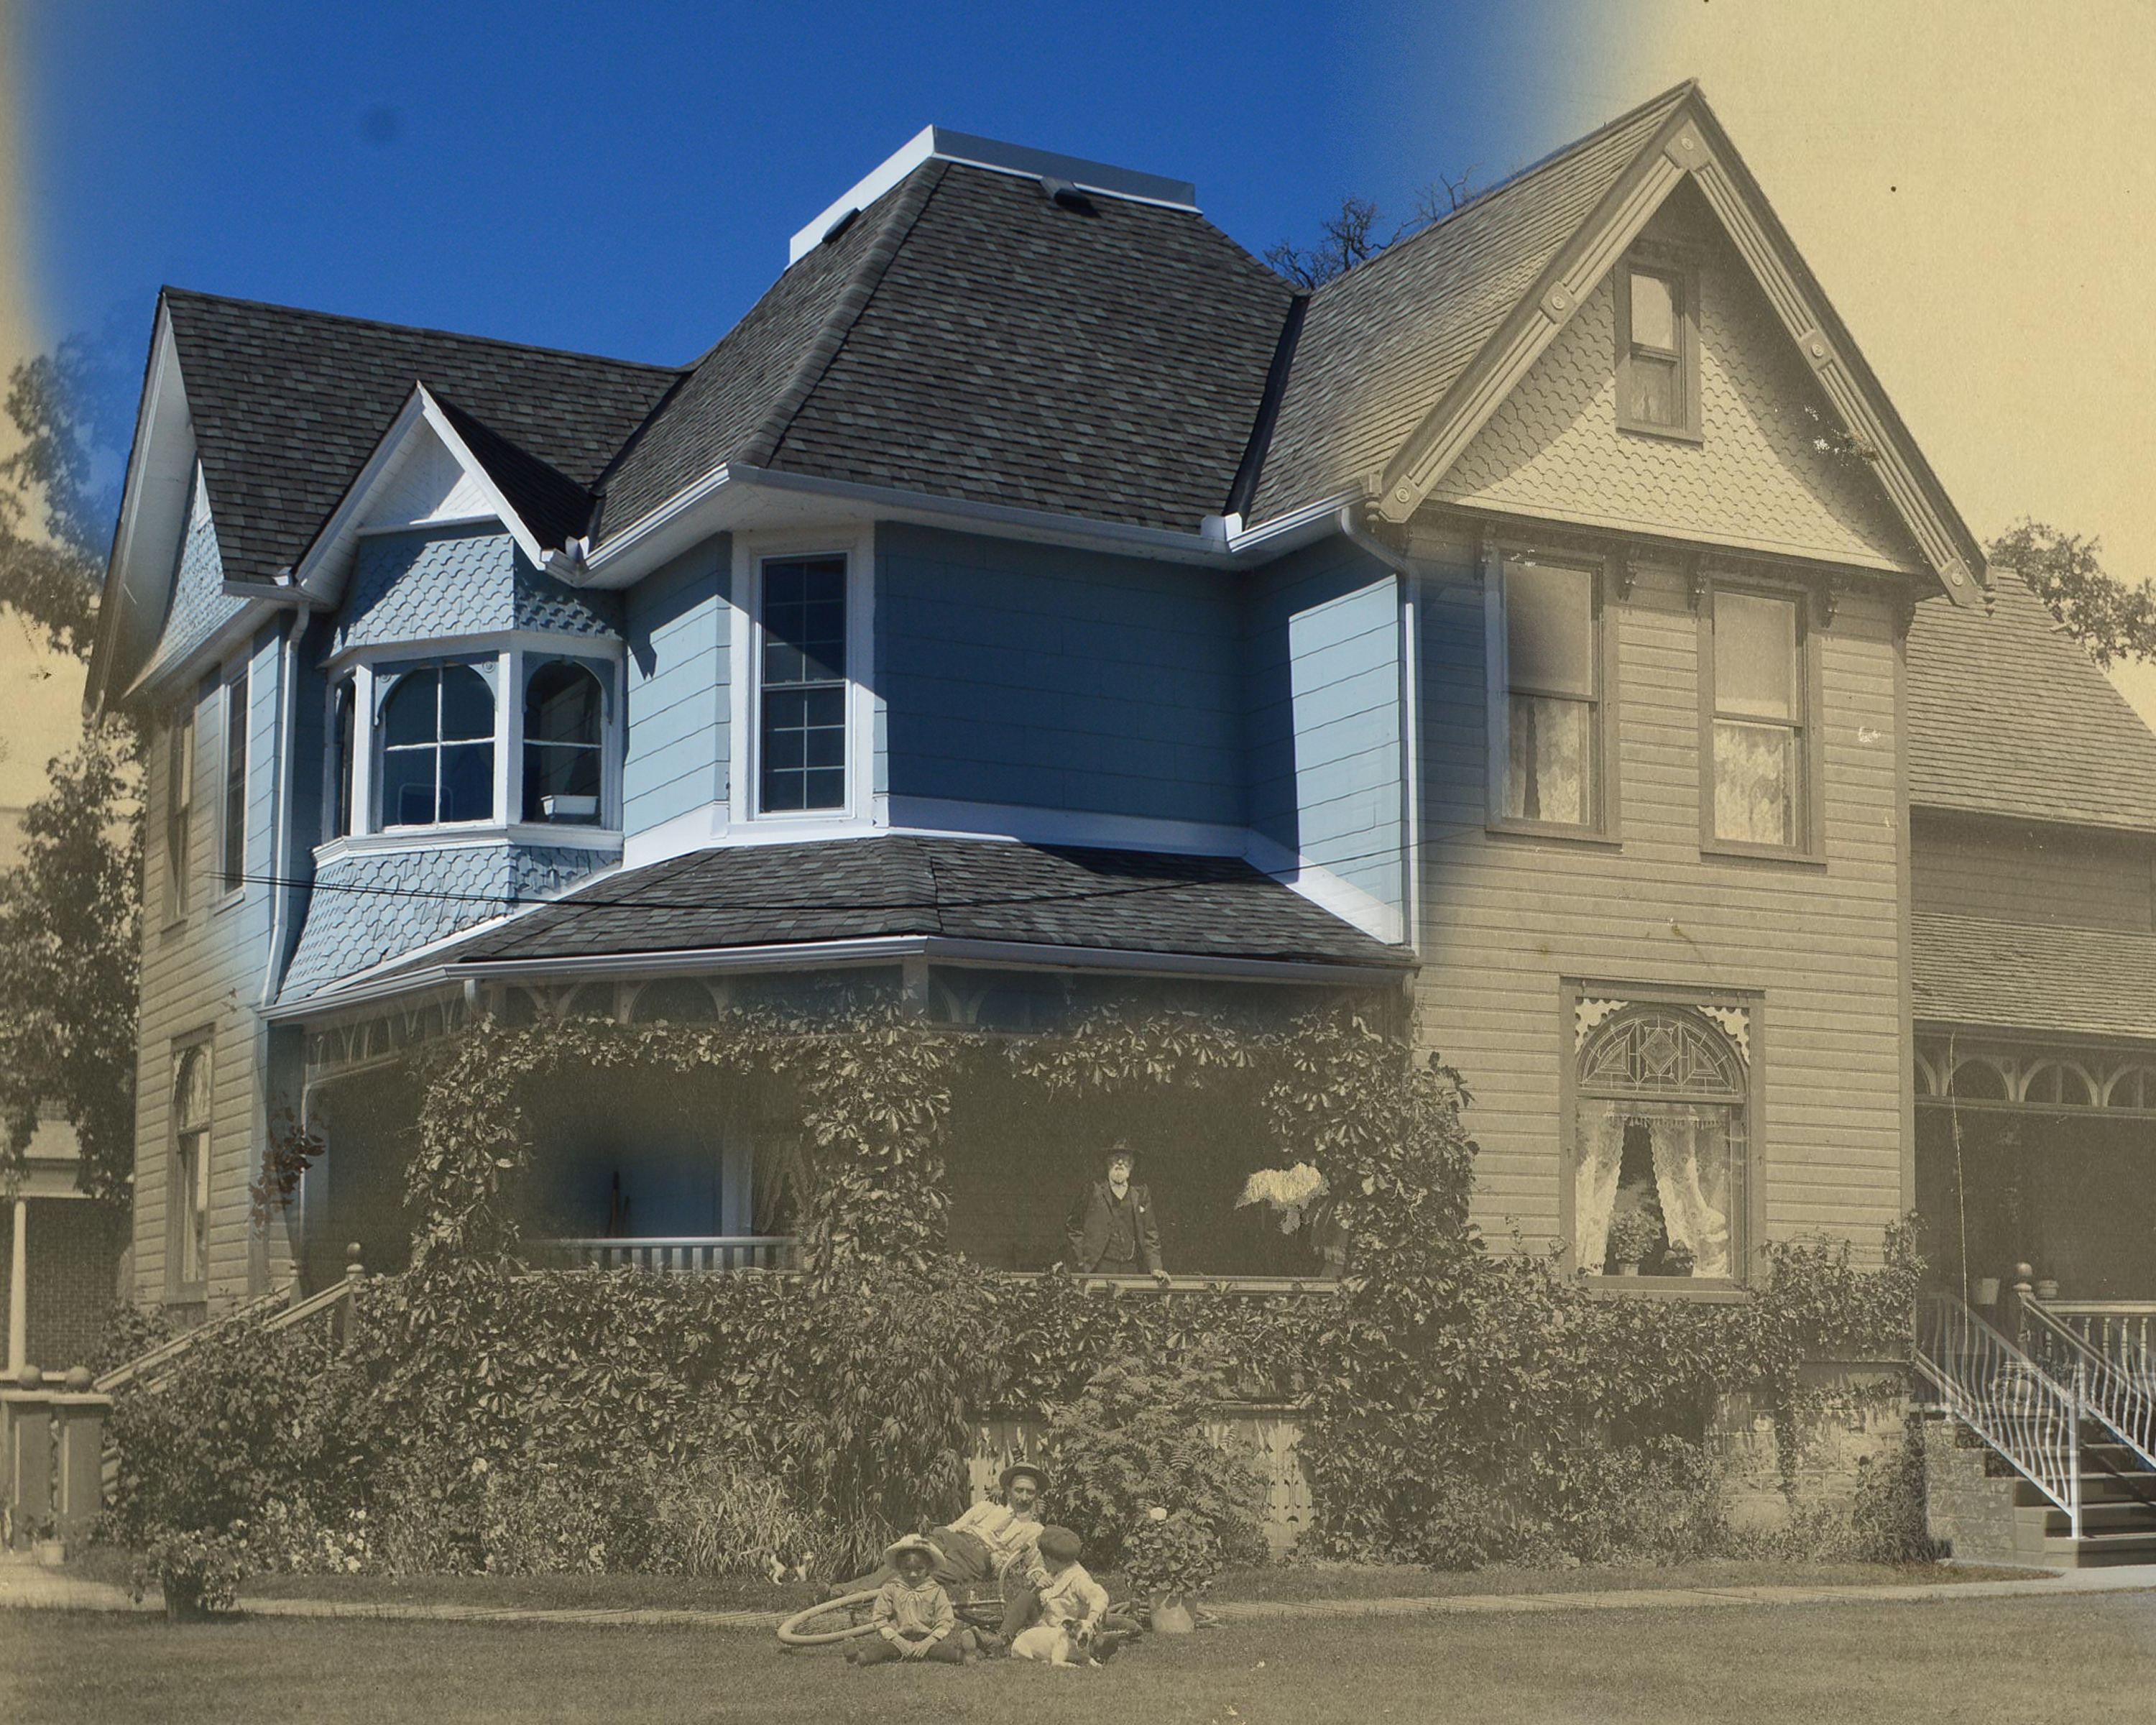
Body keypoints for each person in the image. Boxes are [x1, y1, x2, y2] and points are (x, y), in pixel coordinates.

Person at [831, 1463, 1049, 1607]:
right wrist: (933, 1541)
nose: (1023, 1496)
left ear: (1037, 1495)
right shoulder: (986, 1508)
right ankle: (846, 1591)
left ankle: (851, 1596)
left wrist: (1033, 1575)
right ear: (1009, 1490)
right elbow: (954, 1527)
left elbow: (1036, 1567)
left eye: (1030, 1492)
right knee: (910, 1558)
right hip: (951, 1538)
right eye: (1019, 1490)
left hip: (976, 1557)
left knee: (923, 1575)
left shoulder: (1035, 1530)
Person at [1008, 1525, 1124, 1665]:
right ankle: (1004, 1636)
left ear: (1051, 1559)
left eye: (1044, 1558)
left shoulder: (1078, 1578)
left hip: (1065, 1633)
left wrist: (1092, 1617)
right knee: (1027, 1596)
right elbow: (1037, 1573)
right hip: (1044, 1628)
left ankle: (1098, 1646)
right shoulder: (1055, 1571)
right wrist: (1037, 1581)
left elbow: (1099, 1596)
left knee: (1028, 1597)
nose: (1043, 1562)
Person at [849, 1535, 964, 1665]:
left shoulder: (936, 1591)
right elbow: (879, 1618)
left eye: (919, 1569)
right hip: (898, 1639)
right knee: (882, 1650)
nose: (913, 1574)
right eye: (907, 1569)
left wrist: (928, 1642)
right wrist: (898, 1640)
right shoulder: (891, 1589)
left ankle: (963, 1656)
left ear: (929, 1568)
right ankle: (859, 1657)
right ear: (899, 1567)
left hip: (926, 1639)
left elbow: (946, 1619)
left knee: (942, 1651)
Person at [1064, 1146, 1169, 1279]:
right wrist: (1081, 1261)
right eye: (1115, 1158)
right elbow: (1074, 1226)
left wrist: (1156, 1267)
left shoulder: (1140, 1192)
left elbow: (1150, 1234)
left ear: (1132, 1165)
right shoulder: (1093, 1189)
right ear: (1108, 1163)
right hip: (1100, 1267)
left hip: (1132, 1267)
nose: (1120, 1162)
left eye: (1125, 1159)